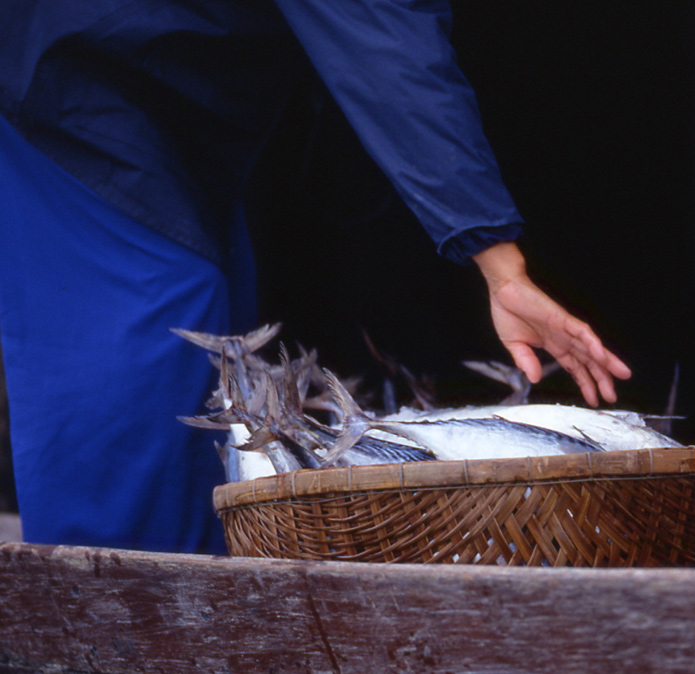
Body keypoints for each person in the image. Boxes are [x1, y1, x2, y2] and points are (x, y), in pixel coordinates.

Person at [0, 0, 630, 554]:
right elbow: (388, 48)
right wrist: (498, 262)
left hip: (163, 115)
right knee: (156, 339)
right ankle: (109, 628)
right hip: (66, 90)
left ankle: (196, 629)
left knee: (218, 370)